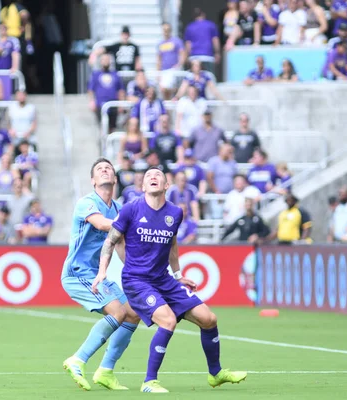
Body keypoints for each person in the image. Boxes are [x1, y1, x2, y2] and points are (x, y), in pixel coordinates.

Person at [93, 167, 247, 393]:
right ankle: (149, 381)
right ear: (143, 186)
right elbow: (110, 241)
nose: (153, 177)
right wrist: (102, 272)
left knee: (209, 319)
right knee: (168, 321)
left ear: (166, 186)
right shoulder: (130, 209)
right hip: (137, 280)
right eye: (148, 176)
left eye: (158, 176)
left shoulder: (175, 213)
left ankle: (216, 373)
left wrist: (178, 275)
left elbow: (172, 244)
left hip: (164, 279)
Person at [61, 158, 140, 391]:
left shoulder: (117, 209)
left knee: (133, 313)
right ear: (93, 181)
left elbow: (120, 246)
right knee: (117, 312)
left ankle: (106, 370)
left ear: (115, 179)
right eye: (99, 169)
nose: (105, 170)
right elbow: (104, 225)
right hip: (77, 274)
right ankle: (78, 359)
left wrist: (137, 271)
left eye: (109, 168)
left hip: (97, 274)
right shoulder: (86, 203)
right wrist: (134, 224)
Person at [87, 54, 124, 131]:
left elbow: (120, 90)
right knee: (102, 125)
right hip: (100, 104)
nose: (106, 61)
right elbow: (90, 89)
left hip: (113, 103)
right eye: (104, 59)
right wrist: (92, 101)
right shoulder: (96, 74)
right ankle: (103, 141)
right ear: (100, 61)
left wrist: (121, 104)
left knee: (112, 126)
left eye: (107, 59)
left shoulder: (115, 74)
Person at [184, 8, 221, 73]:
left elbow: (188, 44)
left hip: (194, 57)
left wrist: (187, 56)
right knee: (209, 78)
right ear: (203, 14)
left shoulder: (190, 27)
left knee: (195, 79)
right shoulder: (211, 25)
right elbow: (215, 40)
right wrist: (217, 53)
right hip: (208, 56)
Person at [157, 23, 185, 99]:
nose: (166, 31)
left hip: (173, 69)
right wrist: (158, 72)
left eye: (167, 30)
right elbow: (159, 59)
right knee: (164, 91)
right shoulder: (160, 43)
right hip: (164, 70)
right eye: (164, 30)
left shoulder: (176, 41)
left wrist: (178, 65)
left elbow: (182, 54)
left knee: (167, 88)